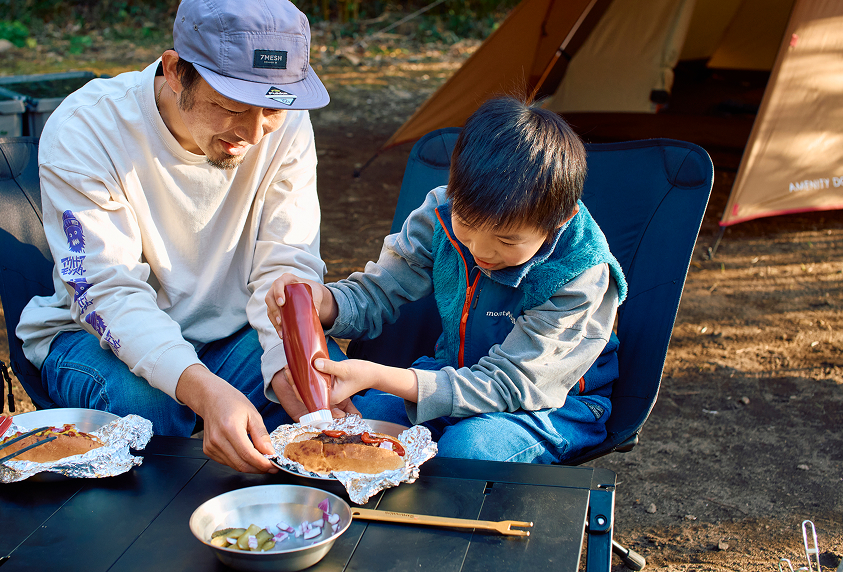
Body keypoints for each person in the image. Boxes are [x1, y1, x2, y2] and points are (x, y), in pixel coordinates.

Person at [16, 0, 350, 474]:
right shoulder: (88, 129)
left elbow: (286, 262)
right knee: (151, 412)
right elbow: (107, 293)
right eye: (232, 106)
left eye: (272, 109)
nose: (253, 134)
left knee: (336, 399)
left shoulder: (286, 126)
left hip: (232, 336)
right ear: (175, 71)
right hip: (93, 337)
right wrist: (204, 391)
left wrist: (285, 359)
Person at [266, 96, 627, 464]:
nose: (480, 251)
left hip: (550, 403)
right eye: (466, 225)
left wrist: (379, 375)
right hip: (453, 373)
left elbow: (511, 384)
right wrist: (321, 301)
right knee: (364, 422)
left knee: (466, 451)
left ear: (560, 218)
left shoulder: (579, 274)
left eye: (507, 241)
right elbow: (377, 292)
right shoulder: (440, 214)